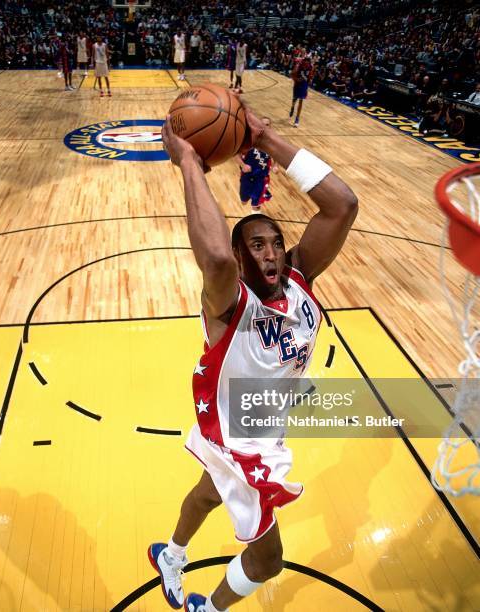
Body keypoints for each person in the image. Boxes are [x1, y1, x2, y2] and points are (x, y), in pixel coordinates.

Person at [149, 105, 358, 611]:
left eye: (276, 244)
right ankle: (209, 609)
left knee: (207, 492)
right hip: (243, 440)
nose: (270, 254)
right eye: (256, 246)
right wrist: (189, 163)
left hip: (256, 420)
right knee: (267, 562)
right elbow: (216, 258)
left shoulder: (301, 278)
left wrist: (266, 138)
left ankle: (171, 554)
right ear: (241, 259)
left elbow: (342, 206)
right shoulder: (229, 303)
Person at [237, 117, 279, 212]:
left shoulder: (272, 143)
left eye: (267, 124)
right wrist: (242, 165)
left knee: (256, 203)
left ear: (270, 127)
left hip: (261, 178)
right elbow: (236, 153)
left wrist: (276, 165)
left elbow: (277, 156)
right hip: (247, 176)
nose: (264, 126)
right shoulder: (249, 140)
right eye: (262, 124)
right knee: (243, 201)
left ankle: (254, 220)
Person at [289, 56, 314, 127]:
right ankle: (292, 107)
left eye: (308, 63)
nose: (307, 64)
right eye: (305, 62)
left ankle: (297, 119)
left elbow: (311, 76)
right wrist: (296, 79)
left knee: (301, 100)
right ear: (303, 62)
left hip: (304, 84)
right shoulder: (298, 65)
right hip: (297, 83)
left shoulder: (311, 67)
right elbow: (291, 74)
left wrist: (310, 79)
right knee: (294, 99)